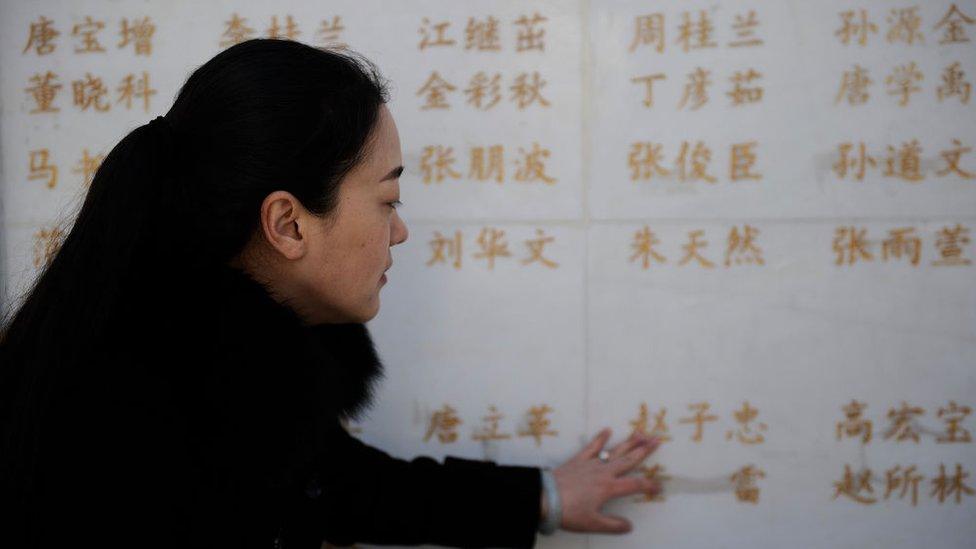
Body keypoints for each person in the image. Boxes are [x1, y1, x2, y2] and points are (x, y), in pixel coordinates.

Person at [0, 38, 662, 548]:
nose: (399, 232)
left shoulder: (219, 367)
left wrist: (545, 494)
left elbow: (344, 484)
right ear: (288, 223)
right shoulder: (126, 429)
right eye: (388, 199)